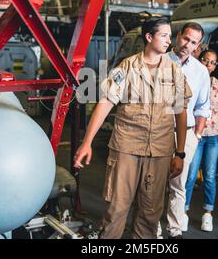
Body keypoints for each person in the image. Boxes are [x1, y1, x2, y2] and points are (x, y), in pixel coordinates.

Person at [73, 17, 192, 239]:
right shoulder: (126, 67)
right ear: (149, 37)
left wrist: (180, 153)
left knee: (150, 213)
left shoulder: (175, 71)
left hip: (160, 151)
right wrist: (87, 142)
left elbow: (181, 112)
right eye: (164, 35)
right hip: (126, 147)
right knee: (116, 209)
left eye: (169, 35)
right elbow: (106, 103)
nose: (169, 40)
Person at [164, 22, 211, 239]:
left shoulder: (201, 71)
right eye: (185, 38)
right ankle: (152, 230)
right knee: (153, 184)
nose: (187, 45)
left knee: (179, 184)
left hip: (188, 133)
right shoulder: (160, 61)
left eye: (193, 42)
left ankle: (174, 231)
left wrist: (197, 135)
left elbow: (203, 106)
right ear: (178, 35)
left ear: (198, 45)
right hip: (159, 131)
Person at [184, 49, 218, 232]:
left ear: (215, 66)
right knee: (191, 174)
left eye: (212, 62)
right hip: (195, 133)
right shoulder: (191, 81)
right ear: (200, 61)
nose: (208, 65)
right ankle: (182, 211)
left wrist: (216, 123)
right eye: (206, 61)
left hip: (214, 135)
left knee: (209, 175)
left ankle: (207, 213)